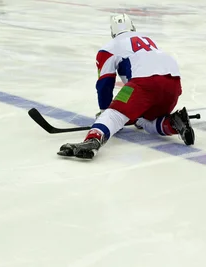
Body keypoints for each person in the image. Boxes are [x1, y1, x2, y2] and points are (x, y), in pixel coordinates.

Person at [57, 14, 194, 159]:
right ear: (133, 27)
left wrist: (104, 112)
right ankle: (174, 123)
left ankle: (92, 140)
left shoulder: (109, 47)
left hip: (144, 83)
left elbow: (105, 83)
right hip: (173, 83)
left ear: (112, 32)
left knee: (114, 114)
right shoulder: (147, 39)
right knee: (144, 121)